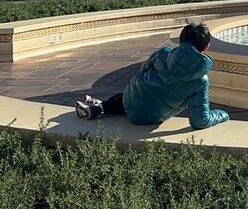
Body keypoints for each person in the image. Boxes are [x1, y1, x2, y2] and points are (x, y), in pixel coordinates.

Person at [75, 22, 229, 130]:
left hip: (133, 97)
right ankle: (98, 107)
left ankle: (98, 106)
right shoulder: (200, 80)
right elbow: (200, 121)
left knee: (130, 97)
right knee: (138, 102)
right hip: (151, 117)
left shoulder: (164, 53)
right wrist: (222, 114)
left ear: (181, 41)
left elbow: (143, 71)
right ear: (207, 47)